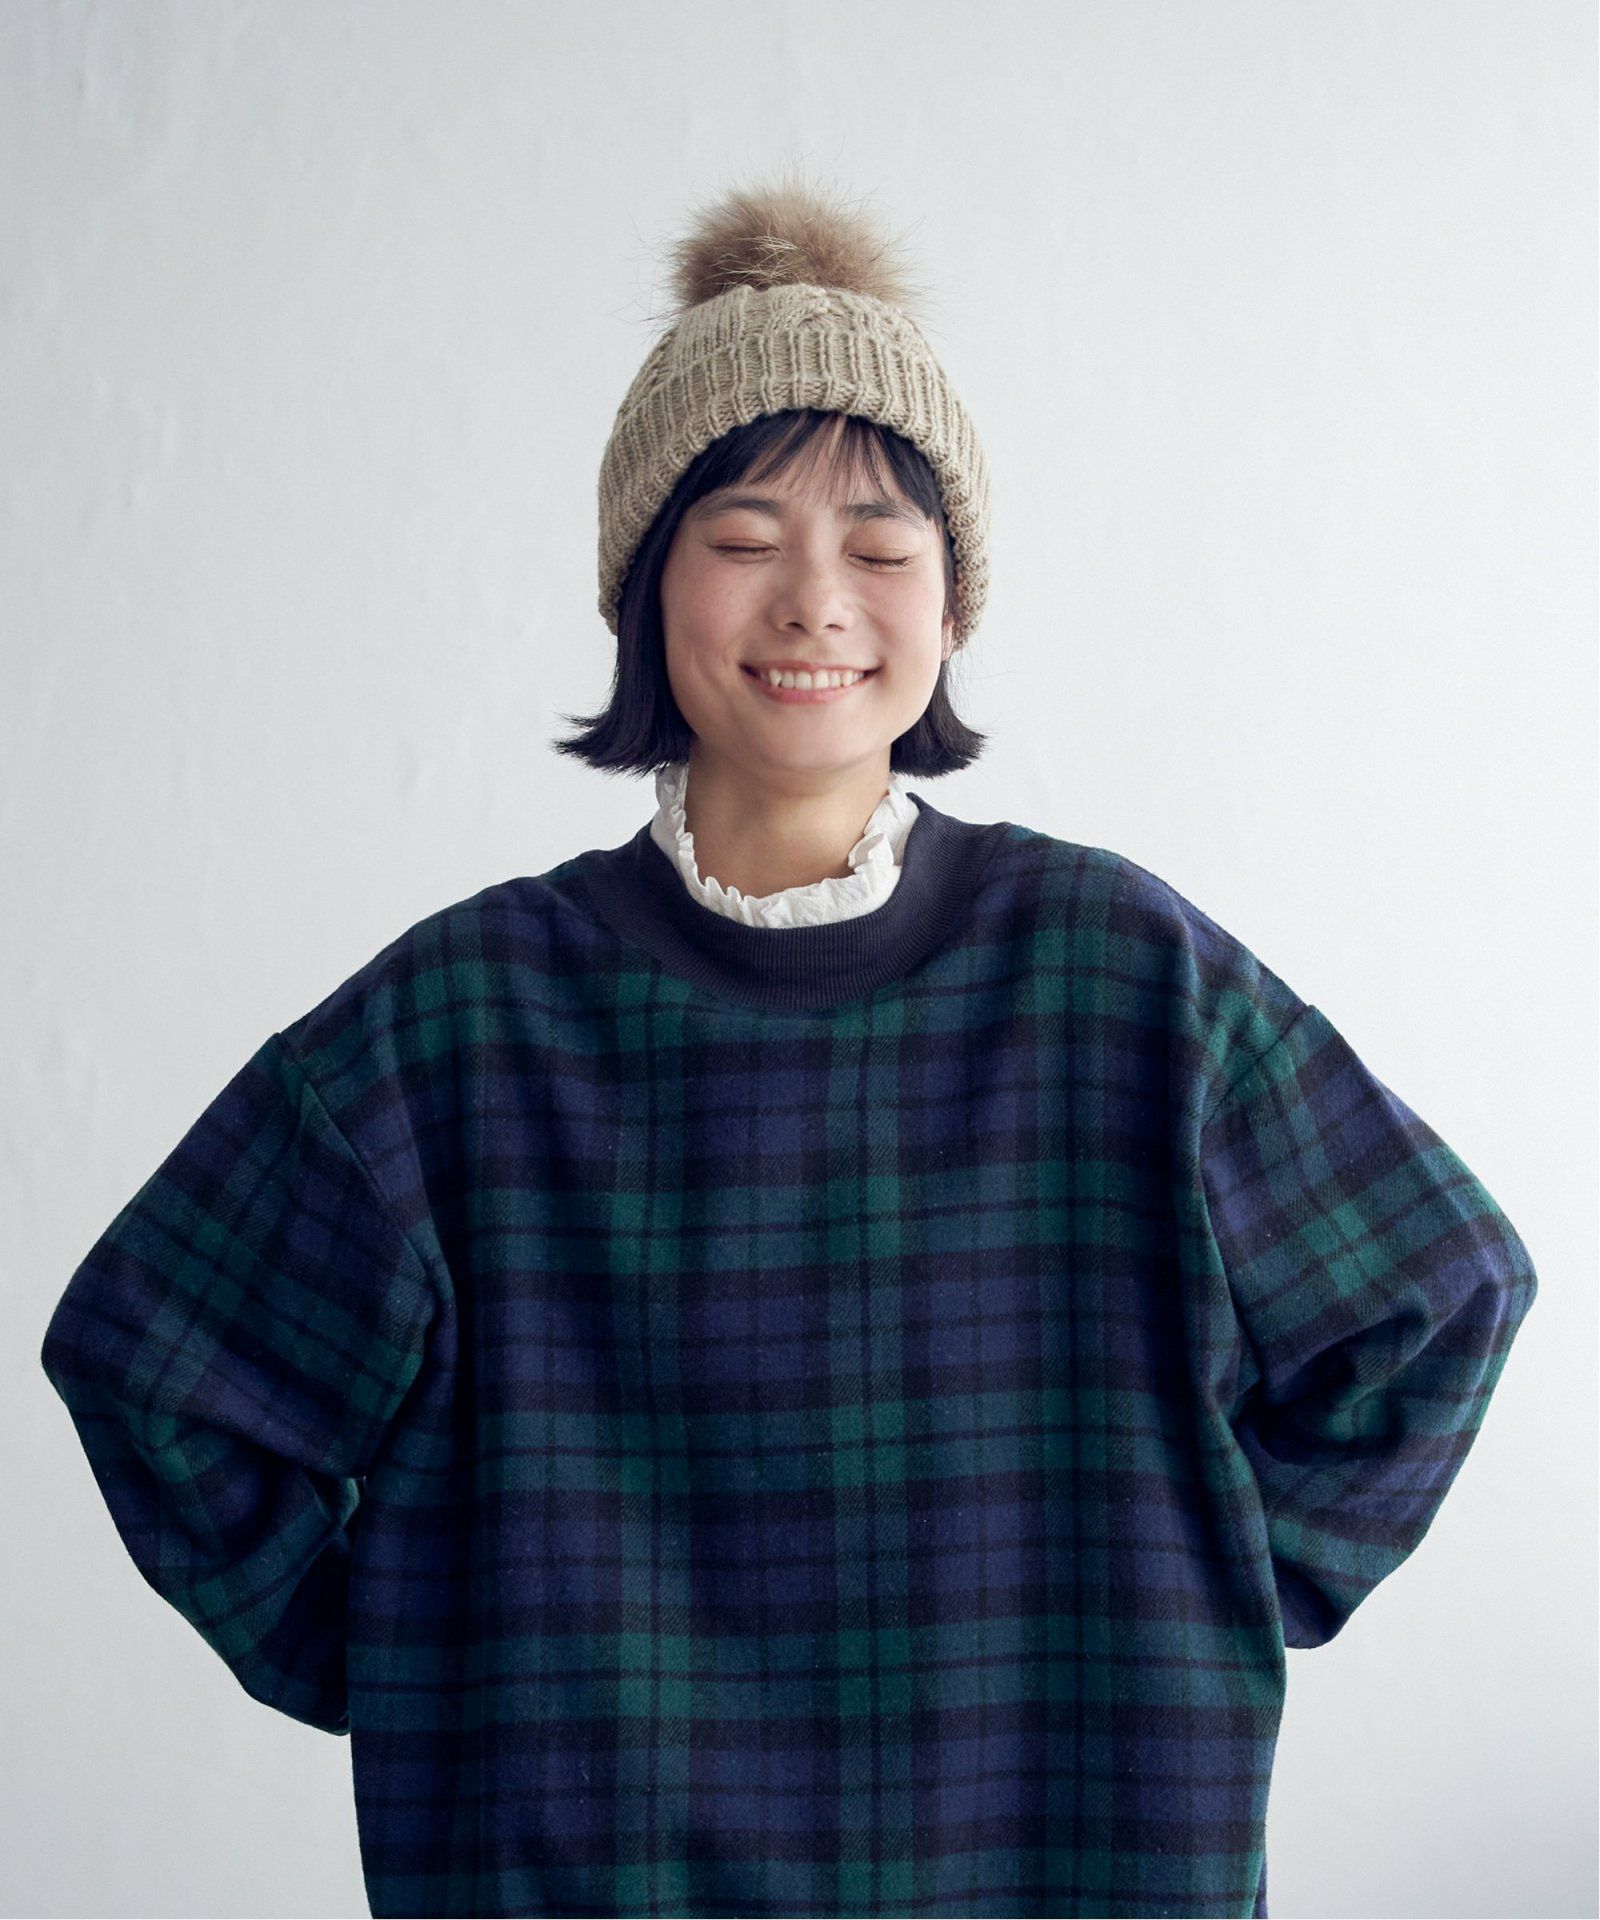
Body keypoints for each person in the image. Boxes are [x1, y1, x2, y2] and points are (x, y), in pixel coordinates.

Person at [39, 171, 1538, 1920]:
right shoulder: (464, 1025)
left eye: (882, 549)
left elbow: (1443, 1293)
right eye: (744, 539)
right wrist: (418, 1662)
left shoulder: (1127, 982)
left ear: (951, 608)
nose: (816, 601)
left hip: (1062, 1864)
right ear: (644, 589)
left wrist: (1193, 1588)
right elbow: (152, 1362)